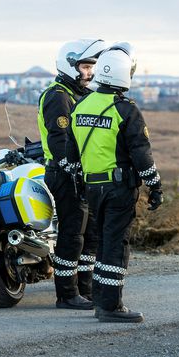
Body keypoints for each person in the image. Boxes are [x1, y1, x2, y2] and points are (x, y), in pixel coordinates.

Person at [66, 42, 163, 322]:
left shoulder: (81, 105)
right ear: (125, 74)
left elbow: (71, 154)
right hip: (118, 188)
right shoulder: (125, 109)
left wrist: (78, 183)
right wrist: (155, 186)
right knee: (115, 244)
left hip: (92, 187)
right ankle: (110, 306)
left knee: (102, 243)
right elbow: (142, 155)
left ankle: (100, 298)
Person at [38, 38, 106, 310]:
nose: (90, 72)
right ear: (70, 65)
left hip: (80, 175)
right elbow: (59, 140)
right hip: (63, 175)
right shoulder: (58, 96)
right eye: (86, 66)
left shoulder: (79, 95)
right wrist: (74, 170)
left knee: (90, 235)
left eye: (92, 67)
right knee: (72, 234)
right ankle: (66, 294)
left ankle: (85, 290)